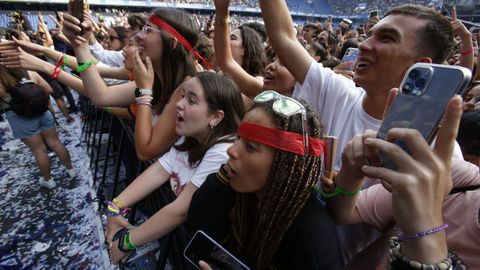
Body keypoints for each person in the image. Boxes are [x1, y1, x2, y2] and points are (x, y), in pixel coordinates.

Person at [259, 1, 461, 265]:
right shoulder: (338, 92)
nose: (364, 45)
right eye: (369, 34)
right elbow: (283, 37)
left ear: (419, 66)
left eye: (387, 39)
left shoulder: (437, 154)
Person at [189, 91, 343, 269]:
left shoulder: (313, 235)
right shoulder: (235, 188)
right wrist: (221, 180)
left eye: (250, 146)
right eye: (239, 138)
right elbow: (197, 225)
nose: (231, 150)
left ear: (286, 165)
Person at [105, 72, 245, 264]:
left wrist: (126, 242)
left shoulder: (222, 152)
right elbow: (159, 170)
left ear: (215, 117)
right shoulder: (192, 137)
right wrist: (115, 207)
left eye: (192, 100)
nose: (179, 104)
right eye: (183, 96)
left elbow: (180, 210)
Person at [0, 65, 74, 189]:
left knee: (39, 150)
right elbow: (49, 89)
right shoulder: (29, 71)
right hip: (42, 111)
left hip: (19, 117)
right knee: (56, 143)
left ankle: (48, 180)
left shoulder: (2, 80)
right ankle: (71, 169)